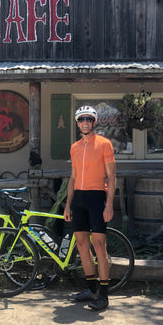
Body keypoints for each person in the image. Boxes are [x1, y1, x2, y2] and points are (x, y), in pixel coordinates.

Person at [64, 106, 116, 311]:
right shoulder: (75, 147)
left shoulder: (104, 144)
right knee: (82, 244)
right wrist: (68, 205)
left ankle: (103, 296)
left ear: (94, 122)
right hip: (79, 198)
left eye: (88, 119)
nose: (85, 122)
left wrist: (109, 203)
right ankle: (91, 288)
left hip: (97, 197)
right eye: (81, 119)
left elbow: (112, 177)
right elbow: (73, 178)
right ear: (77, 123)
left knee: (99, 245)